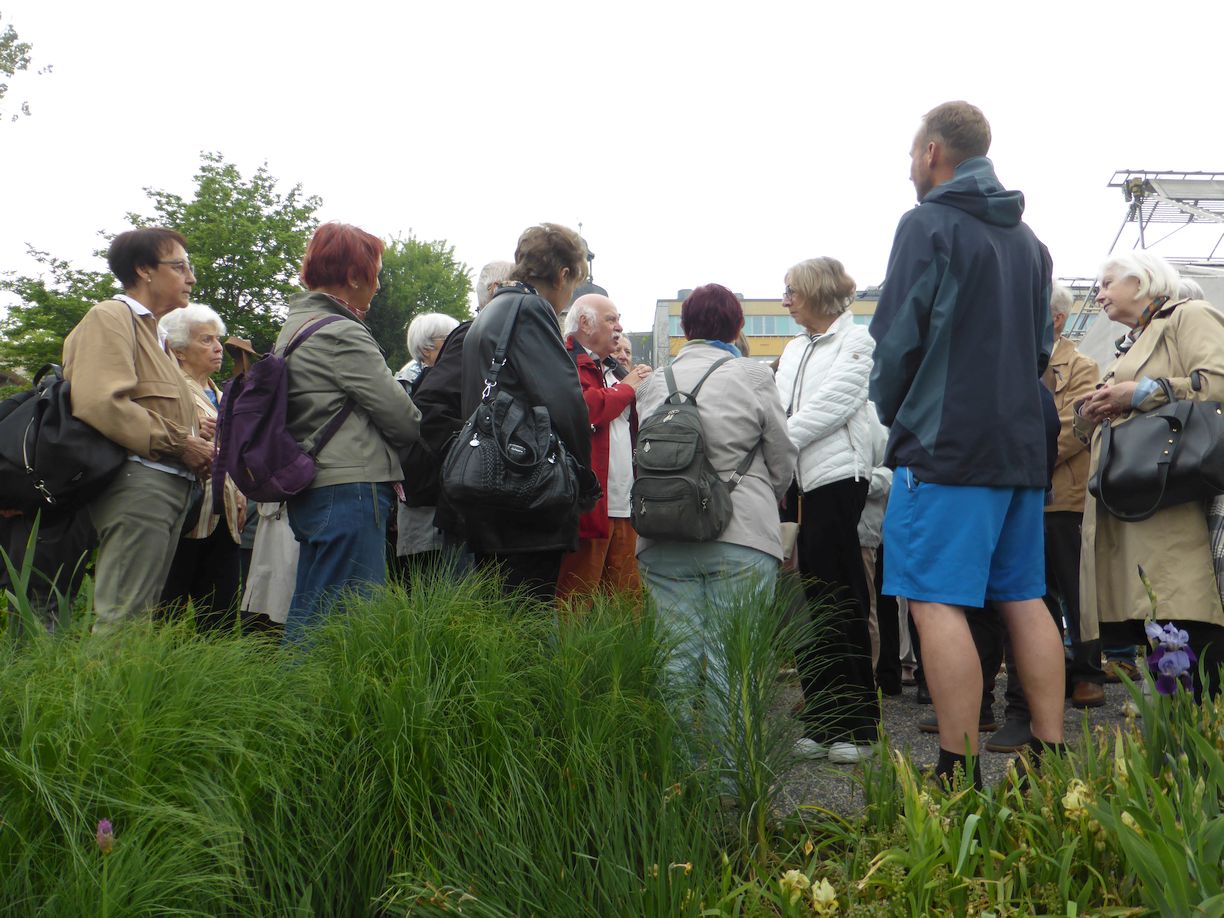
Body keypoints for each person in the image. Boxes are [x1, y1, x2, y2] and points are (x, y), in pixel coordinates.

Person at [869, 101, 1063, 787]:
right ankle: (1050, 750)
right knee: (1022, 595)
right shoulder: (1029, 242)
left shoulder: (927, 225)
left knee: (934, 599)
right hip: (1019, 445)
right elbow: (1042, 348)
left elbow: (895, 342)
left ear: (931, 154)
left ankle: (956, 769)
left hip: (946, 446)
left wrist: (898, 415)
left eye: (910, 155)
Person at [634, 284, 797, 749]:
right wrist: (768, 496)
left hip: (664, 536)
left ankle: (679, 778)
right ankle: (733, 784)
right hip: (741, 533)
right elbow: (782, 455)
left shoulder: (652, 383)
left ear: (685, 328)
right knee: (735, 660)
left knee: (675, 657)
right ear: (739, 326)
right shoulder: (752, 375)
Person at [1077, 250, 1224, 697]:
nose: (1099, 294)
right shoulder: (1136, 340)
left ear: (1141, 282)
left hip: (1179, 505)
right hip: (1143, 506)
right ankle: (1182, 744)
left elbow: (1217, 381)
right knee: (1161, 624)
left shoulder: (1189, 315)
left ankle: (1201, 744)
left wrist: (1144, 392)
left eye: (1107, 283)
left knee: (1190, 622)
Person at [63, 228, 215, 632]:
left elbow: (149, 402)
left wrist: (195, 431)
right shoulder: (112, 317)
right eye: (179, 266)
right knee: (123, 618)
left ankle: (136, 696)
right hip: (137, 483)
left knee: (141, 616)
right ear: (144, 270)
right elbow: (100, 402)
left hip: (164, 486)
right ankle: (105, 697)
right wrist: (182, 443)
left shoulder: (157, 332)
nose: (191, 277)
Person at [276, 222, 421, 642]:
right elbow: (402, 417)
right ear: (355, 276)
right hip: (350, 486)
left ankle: (290, 702)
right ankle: (324, 706)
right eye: (375, 272)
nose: (377, 284)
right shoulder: (342, 331)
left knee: (312, 609)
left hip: (315, 485)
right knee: (347, 621)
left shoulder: (296, 327)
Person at [774, 256, 881, 765]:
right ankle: (821, 718)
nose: (785, 299)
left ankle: (857, 726)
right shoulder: (794, 348)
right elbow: (778, 403)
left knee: (840, 598)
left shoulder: (857, 341)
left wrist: (777, 440)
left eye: (792, 290)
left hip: (838, 480)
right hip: (798, 482)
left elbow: (835, 403)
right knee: (808, 603)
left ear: (817, 292)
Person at [456, 225, 595, 601]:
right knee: (529, 620)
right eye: (574, 283)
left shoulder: (490, 312)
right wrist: (584, 479)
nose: (569, 297)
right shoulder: (530, 309)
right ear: (564, 274)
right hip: (524, 495)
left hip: (486, 488)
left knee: (499, 620)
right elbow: (566, 402)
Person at [556, 294, 652, 603]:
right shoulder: (564, 360)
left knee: (627, 605)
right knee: (577, 604)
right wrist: (627, 388)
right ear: (584, 323)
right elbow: (584, 410)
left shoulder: (613, 368)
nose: (619, 327)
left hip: (624, 505)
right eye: (611, 319)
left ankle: (629, 654)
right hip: (588, 507)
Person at [158, 304, 245, 630]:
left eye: (217, 339)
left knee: (221, 618)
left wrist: (238, 491)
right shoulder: (166, 390)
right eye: (206, 340)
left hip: (224, 520)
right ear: (179, 351)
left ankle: (216, 678)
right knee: (167, 617)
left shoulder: (220, 393)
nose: (218, 347)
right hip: (184, 518)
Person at [394, 312, 461, 579]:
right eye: (451, 340)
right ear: (426, 348)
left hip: (440, 497)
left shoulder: (448, 379)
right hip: (420, 499)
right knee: (424, 578)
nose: (460, 346)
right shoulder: (407, 382)